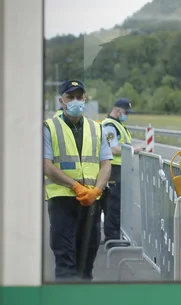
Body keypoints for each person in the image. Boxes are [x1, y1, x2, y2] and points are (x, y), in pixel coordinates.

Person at [44, 80, 113, 281]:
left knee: (87, 260)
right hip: (62, 202)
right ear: (61, 101)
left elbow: (105, 164)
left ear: (84, 99)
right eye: (70, 97)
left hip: (90, 202)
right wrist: (74, 185)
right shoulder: (50, 128)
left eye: (79, 97)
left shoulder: (96, 129)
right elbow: (47, 166)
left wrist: (96, 191)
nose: (75, 101)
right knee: (65, 260)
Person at [101, 98, 142, 244]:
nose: (127, 115)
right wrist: (133, 149)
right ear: (118, 111)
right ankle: (112, 238)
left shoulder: (118, 125)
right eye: (126, 112)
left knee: (117, 204)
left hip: (119, 170)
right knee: (113, 204)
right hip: (113, 169)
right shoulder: (110, 126)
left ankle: (115, 235)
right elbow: (113, 148)